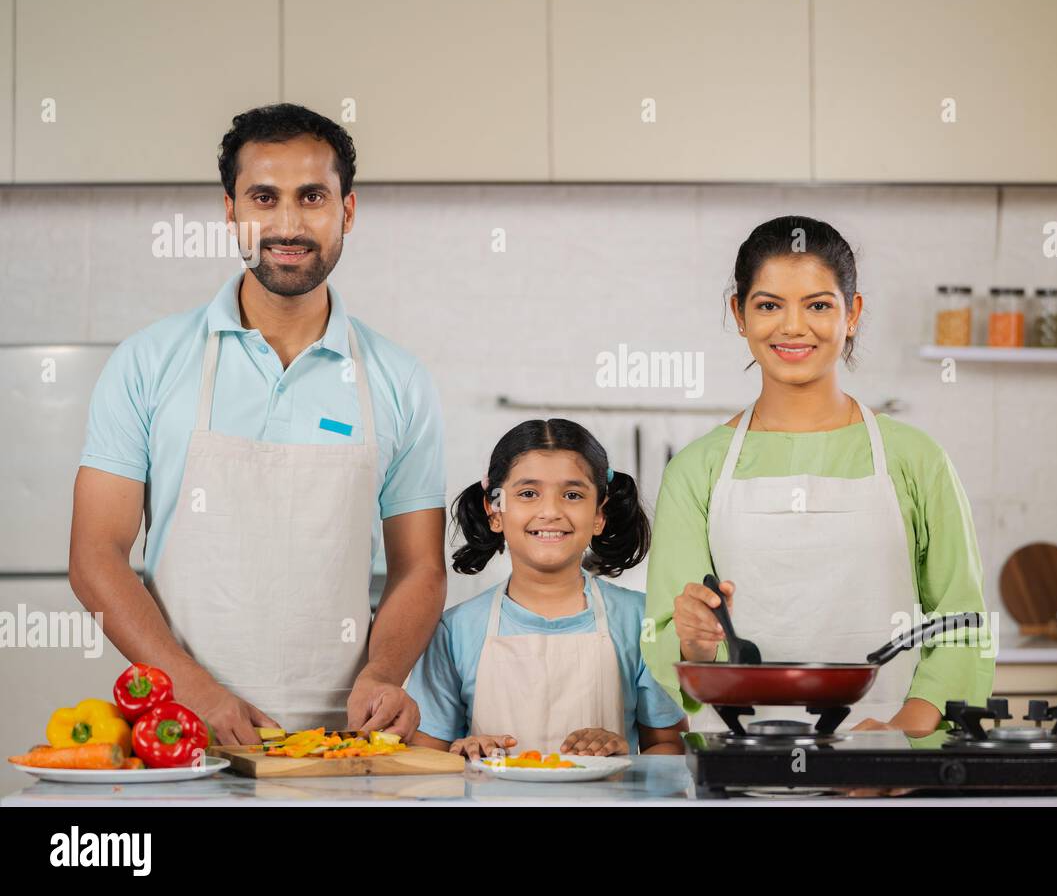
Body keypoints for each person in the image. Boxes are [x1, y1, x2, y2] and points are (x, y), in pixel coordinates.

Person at [70, 104, 447, 743]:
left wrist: (384, 673)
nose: (288, 223)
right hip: (181, 735)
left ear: (347, 212)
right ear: (231, 210)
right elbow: (94, 557)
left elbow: (421, 569)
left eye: (313, 197)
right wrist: (196, 692)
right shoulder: (149, 361)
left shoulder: (400, 380)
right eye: (264, 198)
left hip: (339, 746)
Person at [643, 215, 993, 734]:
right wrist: (694, 642)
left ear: (851, 313)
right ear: (738, 314)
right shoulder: (695, 469)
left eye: (818, 305)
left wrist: (897, 738)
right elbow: (667, 637)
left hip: (886, 770)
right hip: (740, 767)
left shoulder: (917, 459)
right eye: (768, 305)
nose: (792, 327)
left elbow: (963, 626)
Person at [408, 419, 686, 759]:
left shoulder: (641, 622)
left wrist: (623, 752)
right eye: (528, 494)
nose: (551, 511)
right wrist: (459, 754)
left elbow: (669, 746)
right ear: (495, 510)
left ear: (599, 514)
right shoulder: (453, 632)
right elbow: (424, 760)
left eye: (572, 495)